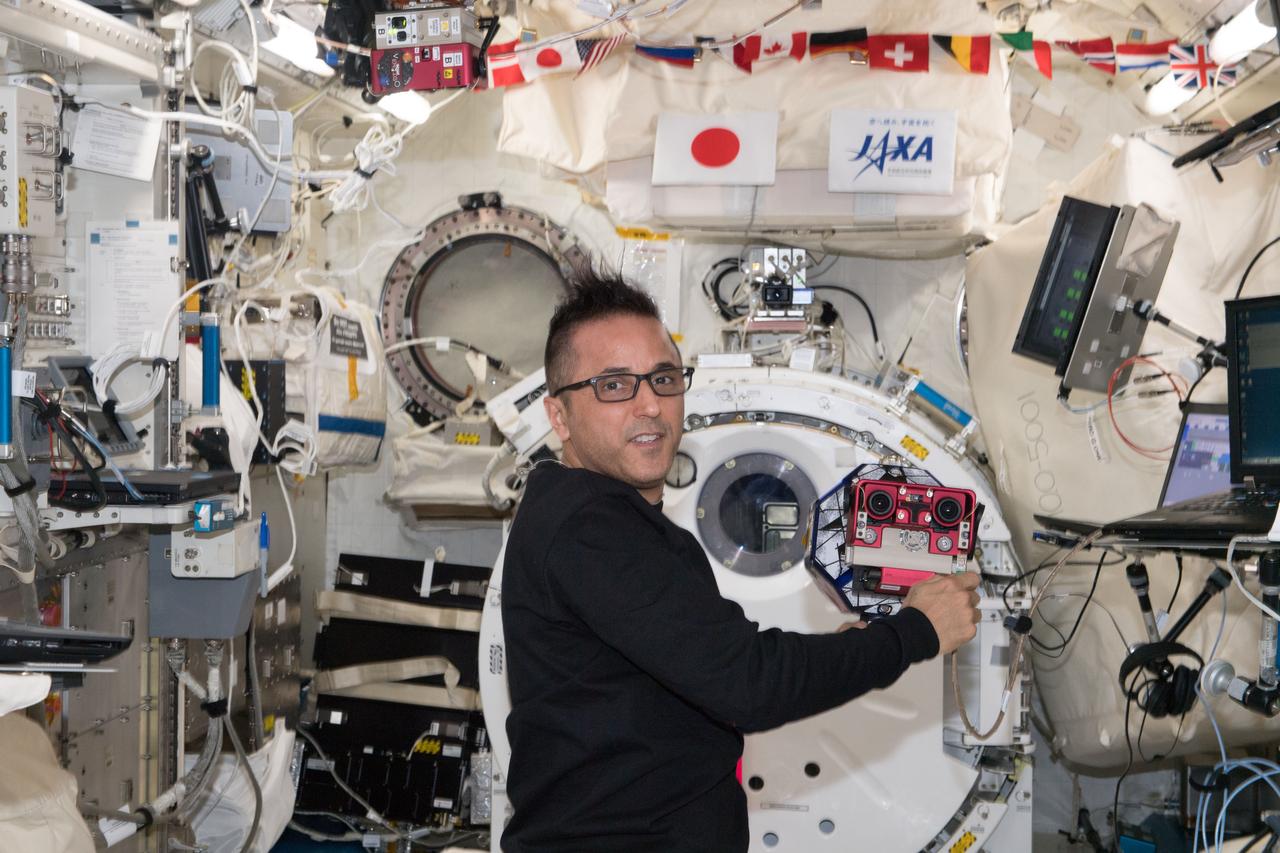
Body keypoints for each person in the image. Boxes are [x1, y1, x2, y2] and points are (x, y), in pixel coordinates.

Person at [499, 268, 981, 853]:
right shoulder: (588, 525)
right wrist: (915, 633)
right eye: (614, 386)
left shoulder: (603, 518)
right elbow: (748, 684)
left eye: (663, 378)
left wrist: (856, 640)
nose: (649, 405)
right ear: (559, 415)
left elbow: (709, 665)